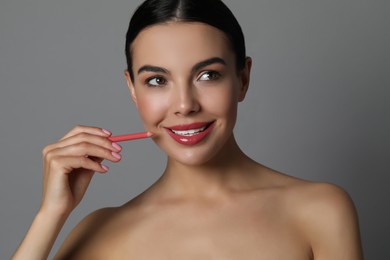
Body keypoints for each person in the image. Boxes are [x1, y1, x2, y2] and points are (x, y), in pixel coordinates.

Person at [12, 0, 363, 259]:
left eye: (208, 75)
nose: (184, 104)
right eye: (156, 80)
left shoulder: (320, 210)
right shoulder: (98, 233)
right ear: (132, 90)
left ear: (243, 79)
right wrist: (51, 215)